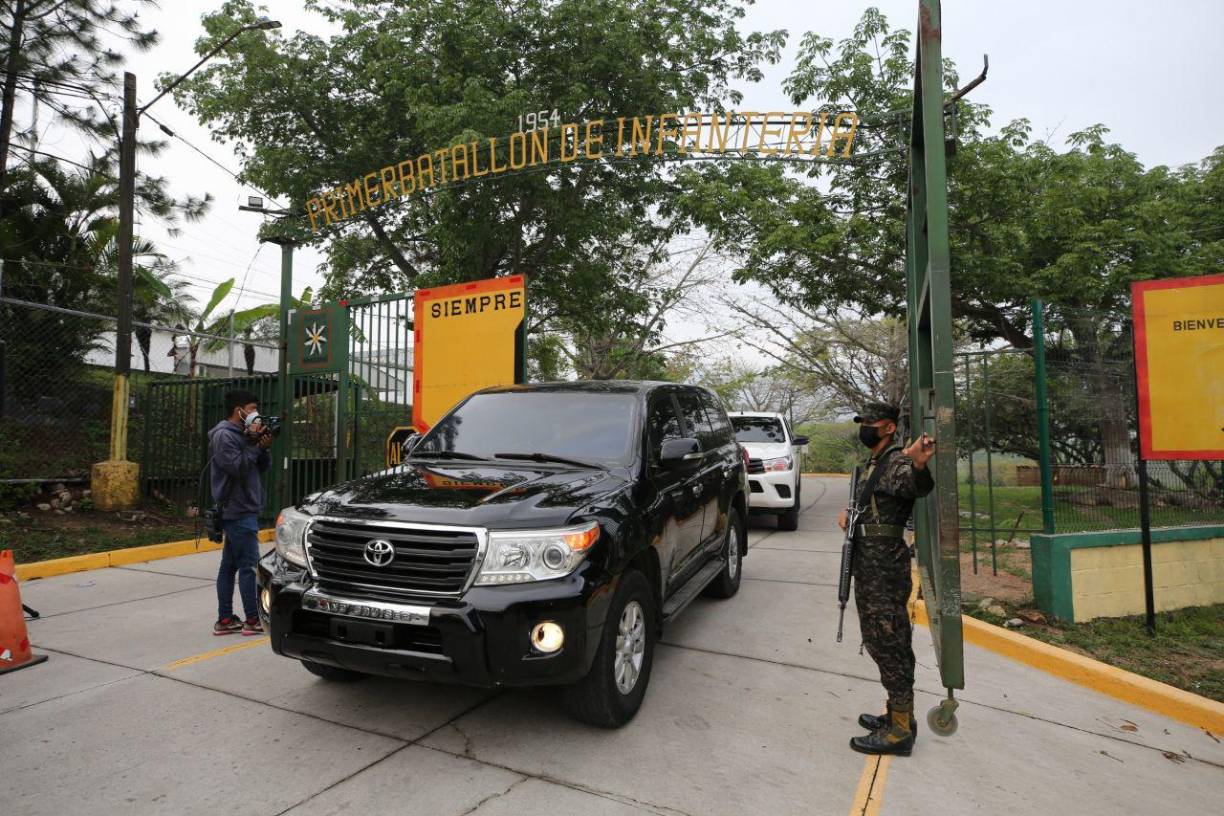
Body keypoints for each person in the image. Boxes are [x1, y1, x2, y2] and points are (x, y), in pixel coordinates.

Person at [837, 402, 936, 756]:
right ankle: (898, 715)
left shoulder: (895, 462)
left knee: (886, 641)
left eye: (870, 422)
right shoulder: (878, 461)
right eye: (861, 421)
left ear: (889, 427)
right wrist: (853, 517)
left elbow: (914, 485)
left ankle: (899, 731)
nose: (864, 426)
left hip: (883, 569)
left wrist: (920, 464)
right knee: (884, 638)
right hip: (872, 564)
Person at [209, 389, 273, 636]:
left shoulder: (242, 435)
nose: (255, 413)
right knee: (248, 567)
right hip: (238, 509)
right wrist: (254, 445)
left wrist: (262, 446)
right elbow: (237, 467)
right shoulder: (224, 436)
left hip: (243, 507)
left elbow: (260, 466)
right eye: (252, 407)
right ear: (239, 411)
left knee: (229, 566)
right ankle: (252, 619)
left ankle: (225, 620)